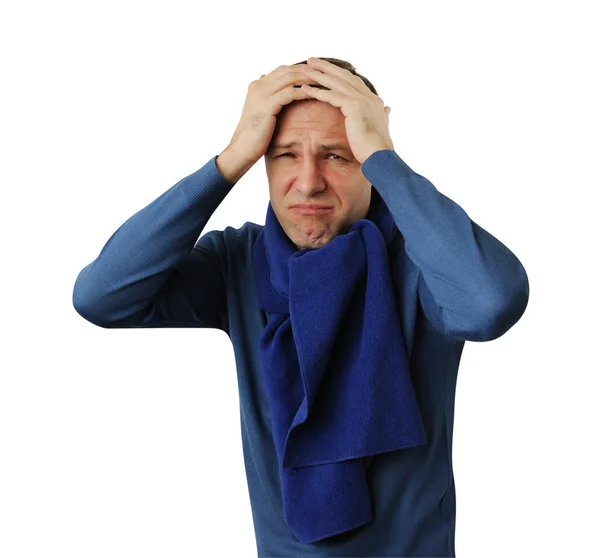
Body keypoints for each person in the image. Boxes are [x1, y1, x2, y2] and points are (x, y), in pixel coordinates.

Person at [72, 56, 529, 557]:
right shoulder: (240, 264)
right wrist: (229, 160)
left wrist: (384, 157)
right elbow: (101, 296)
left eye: (338, 155)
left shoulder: (426, 264)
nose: (308, 182)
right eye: (285, 154)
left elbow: (492, 301)